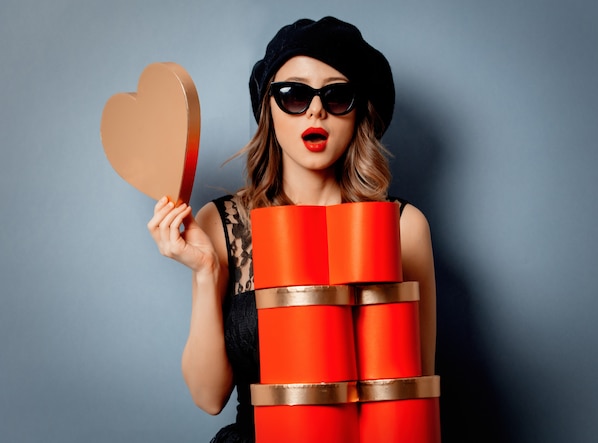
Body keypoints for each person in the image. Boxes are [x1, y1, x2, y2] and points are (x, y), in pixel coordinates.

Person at [147, 16, 436, 442]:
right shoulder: (221, 223)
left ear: (359, 113)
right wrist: (207, 271)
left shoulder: (403, 228)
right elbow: (208, 398)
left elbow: (412, 396)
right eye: (294, 95)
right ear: (268, 108)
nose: (316, 109)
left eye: (337, 95)